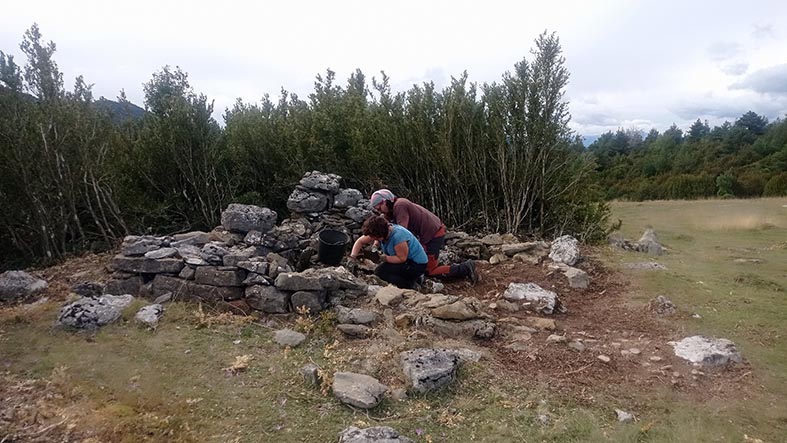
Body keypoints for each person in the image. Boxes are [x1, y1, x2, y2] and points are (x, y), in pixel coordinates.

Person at [368, 189, 477, 283]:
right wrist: (376, 244)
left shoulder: (400, 205)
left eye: (379, 208)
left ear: (385, 201)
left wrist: (388, 256)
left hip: (434, 234)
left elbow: (401, 231)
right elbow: (383, 229)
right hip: (425, 235)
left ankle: (465, 268)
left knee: (429, 269)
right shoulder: (390, 211)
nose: (380, 211)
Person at [349, 215, 427, 289]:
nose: (372, 239)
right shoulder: (383, 231)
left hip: (416, 265)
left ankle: (409, 284)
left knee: (381, 272)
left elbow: (401, 258)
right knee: (383, 269)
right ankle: (412, 278)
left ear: (380, 234)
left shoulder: (398, 237)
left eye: (375, 237)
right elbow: (360, 242)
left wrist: (383, 258)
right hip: (406, 261)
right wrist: (353, 257)